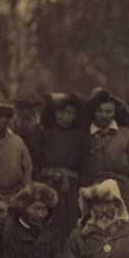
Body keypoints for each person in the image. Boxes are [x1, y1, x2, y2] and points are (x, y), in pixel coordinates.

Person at [36, 92, 89, 248]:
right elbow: (35, 162)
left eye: (70, 113)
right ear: (53, 113)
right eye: (61, 112)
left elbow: (86, 167)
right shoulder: (44, 133)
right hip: (46, 187)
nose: (65, 117)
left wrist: (83, 193)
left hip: (71, 191)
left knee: (70, 225)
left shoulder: (81, 137)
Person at [80, 88, 129, 207]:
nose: (104, 116)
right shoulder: (84, 136)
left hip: (122, 191)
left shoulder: (127, 134)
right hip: (94, 191)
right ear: (93, 112)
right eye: (99, 111)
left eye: (109, 111)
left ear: (115, 112)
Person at [9, 84, 45, 174]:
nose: (25, 112)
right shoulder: (8, 129)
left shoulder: (39, 131)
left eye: (29, 108)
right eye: (21, 107)